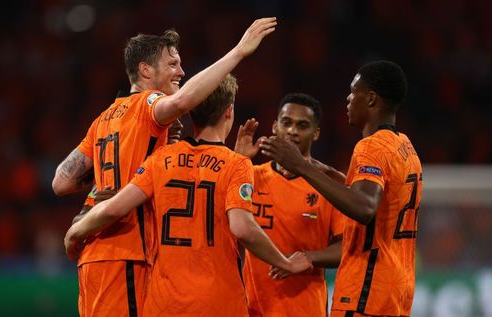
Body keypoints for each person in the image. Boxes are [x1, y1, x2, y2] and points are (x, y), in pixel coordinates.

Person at [52, 17, 277, 317]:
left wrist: (109, 185)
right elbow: (182, 101)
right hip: (126, 251)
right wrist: (238, 52)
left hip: (97, 253)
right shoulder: (149, 103)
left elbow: (61, 182)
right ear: (145, 70)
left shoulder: (103, 119)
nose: (181, 72)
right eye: (172, 64)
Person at [64, 74, 313, 316]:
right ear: (229, 111)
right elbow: (242, 227)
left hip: (164, 304)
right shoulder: (235, 165)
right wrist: (286, 263)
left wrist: (76, 231)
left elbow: (113, 209)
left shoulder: (160, 159)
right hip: (218, 303)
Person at [260, 61, 423, 317]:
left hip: (366, 290)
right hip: (397, 288)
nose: (348, 99)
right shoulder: (405, 147)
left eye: (353, 92)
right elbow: (383, 203)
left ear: (370, 99)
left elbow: (365, 207)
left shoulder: (371, 147)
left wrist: (303, 168)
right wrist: (340, 178)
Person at [234, 93, 346, 317]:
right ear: (275, 126)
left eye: (302, 125)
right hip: (252, 308)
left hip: (306, 309)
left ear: (316, 133)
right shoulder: (251, 177)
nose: (293, 131)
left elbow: (346, 248)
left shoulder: (330, 184)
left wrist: (310, 257)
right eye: (287, 123)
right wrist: (237, 163)